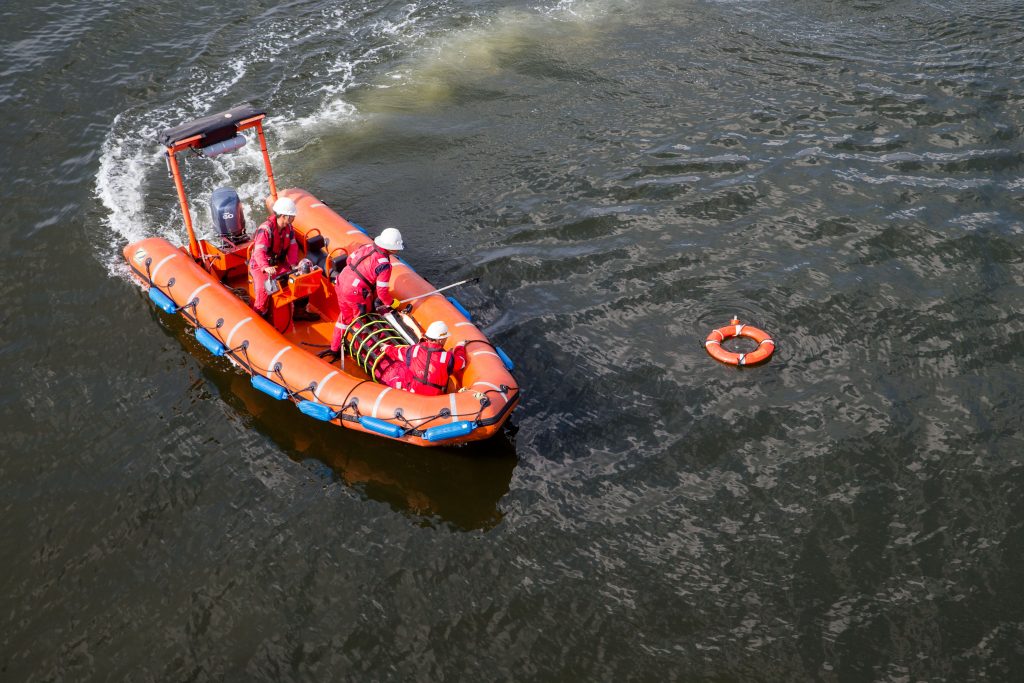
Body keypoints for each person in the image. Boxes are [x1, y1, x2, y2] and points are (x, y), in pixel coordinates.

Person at [319, 227, 404, 361]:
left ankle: (334, 348)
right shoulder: (384, 265)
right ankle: (361, 351)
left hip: (341, 282)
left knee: (344, 318)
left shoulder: (366, 247)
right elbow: (382, 293)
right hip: (355, 293)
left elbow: (349, 261)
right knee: (361, 322)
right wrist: (393, 303)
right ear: (392, 248)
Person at [373, 321, 467, 395]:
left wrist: (386, 348)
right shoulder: (447, 357)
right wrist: (460, 346)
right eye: (446, 338)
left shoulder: (415, 349)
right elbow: (462, 362)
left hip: (414, 394)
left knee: (404, 370)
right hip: (436, 398)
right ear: (440, 339)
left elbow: (398, 353)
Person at [249, 197, 302, 318]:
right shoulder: (266, 230)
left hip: (277, 263)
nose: (293, 219)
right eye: (291, 216)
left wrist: (294, 264)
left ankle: (299, 311)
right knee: (263, 290)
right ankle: (260, 315)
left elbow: (293, 246)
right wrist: (265, 267)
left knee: (299, 279)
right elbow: (259, 252)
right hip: (260, 265)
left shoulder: (289, 229)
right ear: (283, 216)